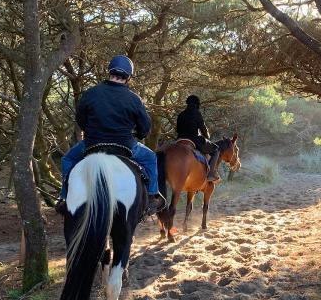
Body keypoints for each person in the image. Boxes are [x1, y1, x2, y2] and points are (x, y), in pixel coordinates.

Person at [55, 55, 166, 215]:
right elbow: (145, 128)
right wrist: (139, 134)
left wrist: (92, 130)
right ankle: (151, 196)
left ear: (110, 71)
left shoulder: (91, 93)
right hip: (125, 145)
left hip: (93, 144)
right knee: (150, 158)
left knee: (68, 159)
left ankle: (64, 197)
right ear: (128, 76)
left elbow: (80, 119)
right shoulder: (134, 99)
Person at [176, 95, 220, 182]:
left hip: (179, 140)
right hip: (194, 139)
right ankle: (210, 174)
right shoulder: (196, 113)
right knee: (216, 150)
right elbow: (203, 128)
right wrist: (207, 136)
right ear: (197, 104)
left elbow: (177, 129)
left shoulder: (181, 114)